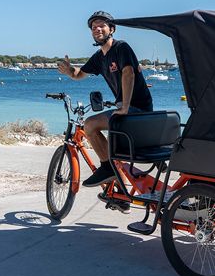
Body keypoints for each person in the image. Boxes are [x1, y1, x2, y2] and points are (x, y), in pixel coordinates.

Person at [57, 11, 153, 188]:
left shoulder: (121, 47)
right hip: (127, 110)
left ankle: (108, 168)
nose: (97, 29)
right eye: (94, 27)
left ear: (112, 29)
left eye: (102, 25)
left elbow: (129, 73)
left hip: (137, 110)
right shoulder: (99, 57)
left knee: (90, 124)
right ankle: (120, 188)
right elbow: (79, 74)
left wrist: (124, 107)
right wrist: (69, 71)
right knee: (109, 144)